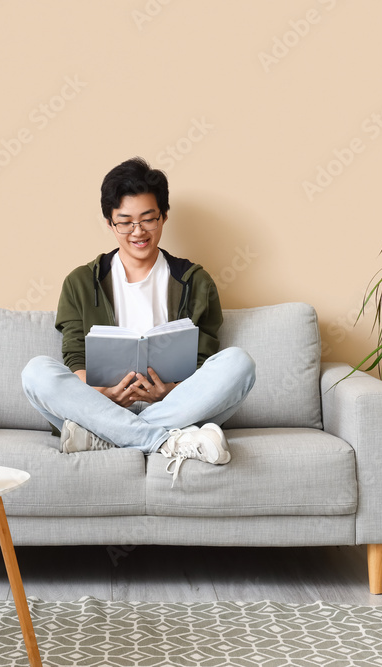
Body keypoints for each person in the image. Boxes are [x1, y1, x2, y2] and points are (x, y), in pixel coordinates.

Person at [21, 157, 256, 484]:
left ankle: (106, 439)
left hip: (174, 404)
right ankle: (166, 441)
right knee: (36, 373)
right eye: (125, 222)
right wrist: (103, 395)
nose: (138, 232)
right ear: (109, 223)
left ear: (164, 217)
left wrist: (168, 391)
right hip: (100, 406)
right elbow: (74, 354)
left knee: (239, 363)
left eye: (148, 219)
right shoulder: (80, 281)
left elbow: (202, 359)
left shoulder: (194, 281)